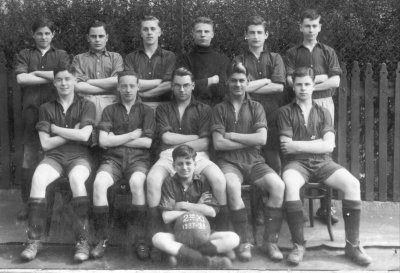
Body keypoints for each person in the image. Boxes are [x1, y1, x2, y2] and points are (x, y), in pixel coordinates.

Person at [277, 67, 372, 266]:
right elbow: (287, 148)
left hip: (323, 162)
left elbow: (328, 145)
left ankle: (352, 245)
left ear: (313, 86)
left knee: (353, 184)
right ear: (293, 87)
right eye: (299, 84)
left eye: (307, 84)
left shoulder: (323, 112)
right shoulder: (285, 112)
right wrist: (313, 144)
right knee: (290, 184)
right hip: (296, 164)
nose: (303, 88)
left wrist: (298, 145)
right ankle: (298, 245)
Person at [146, 67, 229, 259]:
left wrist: (180, 139)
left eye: (185, 85)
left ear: (192, 86)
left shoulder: (204, 109)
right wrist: (192, 137)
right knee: (152, 180)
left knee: (218, 180)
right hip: (168, 155)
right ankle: (155, 237)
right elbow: (165, 137)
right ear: (172, 87)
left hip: (198, 156)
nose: (181, 90)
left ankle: (215, 232)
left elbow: (205, 142)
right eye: (177, 85)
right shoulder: (163, 108)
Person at [211, 62, 286, 262]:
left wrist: (233, 135)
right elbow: (218, 144)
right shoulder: (219, 109)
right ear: (227, 83)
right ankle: (244, 241)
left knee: (278, 186)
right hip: (229, 163)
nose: (237, 85)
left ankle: (270, 241)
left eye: (242, 81)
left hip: (254, 161)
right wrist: (247, 140)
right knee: (233, 186)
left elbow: (261, 139)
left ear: (248, 82)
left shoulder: (256, 107)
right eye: (234, 81)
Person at [20, 65, 95, 263]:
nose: (64, 83)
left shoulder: (87, 105)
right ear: (54, 83)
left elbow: (85, 136)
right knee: (38, 179)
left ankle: (82, 241)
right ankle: (34, 240)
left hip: (79, 156)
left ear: (75, 81)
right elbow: (46, 144)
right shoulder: (46, 108)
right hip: (54, 157)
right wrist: (71, 132)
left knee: (77, 180)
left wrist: (56, 129)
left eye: (68, 79)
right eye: (60, 79)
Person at [90, 71, 155, 260]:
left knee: (137, 184)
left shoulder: (146, 111)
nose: (128, 90)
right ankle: (102, 238)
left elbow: (147, 143)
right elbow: (103, 141)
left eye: (132, 86)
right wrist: (133, 135)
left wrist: (115, 139)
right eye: (124, 86)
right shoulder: (110, 110)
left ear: (138, 87)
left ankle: (140, 240)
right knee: (99, 184)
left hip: (138, 160)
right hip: (113, 160)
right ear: (118, 87)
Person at [285, 9, 342, 224]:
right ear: (300, 27)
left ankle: (327, 208)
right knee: (298, 150)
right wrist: (320, 78)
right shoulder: (292, 53)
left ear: (320, 27)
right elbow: (291, 82)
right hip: (299, 104)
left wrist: (309, 83)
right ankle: (295, 202)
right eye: (306, 26)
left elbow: (335, 81)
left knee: (325, 150)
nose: (310, 30)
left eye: (314, 26)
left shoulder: (327, 51)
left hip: (324, 103)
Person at [15, 18, 70, 220]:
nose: (44, 37)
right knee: (29, 158)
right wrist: (51, 76)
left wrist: (35, 72)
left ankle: (64, 203)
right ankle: (27, 204)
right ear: (33, 35)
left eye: (47, 33)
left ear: (53, 34)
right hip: (31, 112)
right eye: (39, 33)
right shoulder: (25, 54)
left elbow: (65, 76)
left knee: (57, 155)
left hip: (56, 112)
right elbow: (22, 79)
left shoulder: (61, 55)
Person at [152, 144, 239, 269]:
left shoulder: (202, 181)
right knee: (158, 238)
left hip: (203, 234)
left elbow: (211, 212)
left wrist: (183, 205)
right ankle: (204, 261)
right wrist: (198, 207)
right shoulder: (169, 182)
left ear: (195, 165)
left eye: (188, 163)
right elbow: (167, 216)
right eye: (180, 164)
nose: (184, 167)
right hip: (177, 235)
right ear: (174, 166)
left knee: (233, 238)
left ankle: (183, 255)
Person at [234, 15, 286, 174]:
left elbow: (278, 87)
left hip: (272, 115)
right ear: (246, 35)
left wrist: (251, 85)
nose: (255, 37)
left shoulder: (275, 57)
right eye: (252, 32)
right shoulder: (239, 59)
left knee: (274, 160)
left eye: (259, 32)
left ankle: (277, 196)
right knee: (250, 158)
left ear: (266, 35)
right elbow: (240, 87)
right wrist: (265, 80)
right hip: (248, 115)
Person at [72, 20, 124, 125]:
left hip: (112, 102)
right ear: (88, 38)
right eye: (93, 36)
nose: (97, 40)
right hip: (86, 102)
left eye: (101, 36)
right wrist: (108, 85)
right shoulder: (78, 59)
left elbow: (117, 81)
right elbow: (77, 86)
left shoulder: (116, 57)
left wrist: (87, 81)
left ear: (107, 38)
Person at [124, 16, 176, 110]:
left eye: (153, 29)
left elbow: (169, 84)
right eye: (145, 29)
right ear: (141, 33)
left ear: (159, 33)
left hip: (165, 107)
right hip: (137, 108)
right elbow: (130, 83)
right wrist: (159, 81)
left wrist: (143, 94)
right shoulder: (130, 57)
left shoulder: (169, 56)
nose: (149, 32)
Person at [177, 17, 229, 106]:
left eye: (206, 31)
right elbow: (184, 88)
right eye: (199, 31)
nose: (203, 34)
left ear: (212, 34)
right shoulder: (184, 59)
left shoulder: (223, 60)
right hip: (191, 109)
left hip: (216, 110)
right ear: (193, 34)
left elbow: (222, 91)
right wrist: (210, 80)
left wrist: (197, 83)